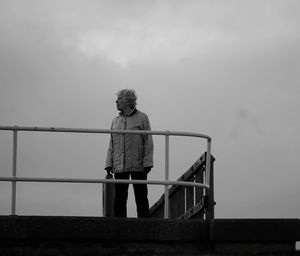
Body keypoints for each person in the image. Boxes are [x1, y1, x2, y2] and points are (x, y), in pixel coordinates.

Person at [105, 89, 153, 218]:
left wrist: (148, 162)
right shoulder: (115, 121)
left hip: (138, 163)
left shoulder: (142, 118)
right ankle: (120, 226)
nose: (116, 102)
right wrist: (109, 163)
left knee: (141, 196)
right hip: (119, 164)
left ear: (128, 101)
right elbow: (112, 143)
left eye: (119, 99)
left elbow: (148, 141)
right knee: (119, 197)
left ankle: (144, 225)